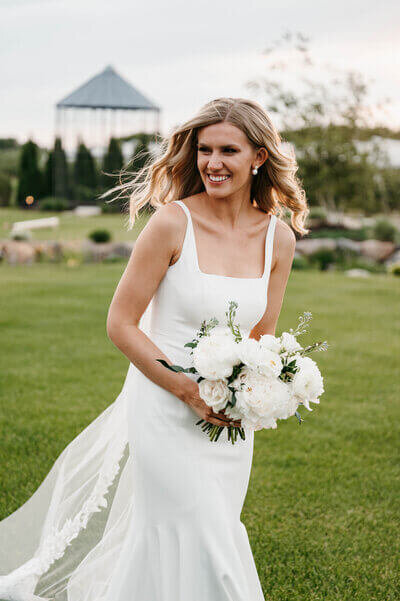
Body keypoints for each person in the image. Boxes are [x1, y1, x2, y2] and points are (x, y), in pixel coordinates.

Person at [0, 97, 308, 601]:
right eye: (204, 149)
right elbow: (121, 323)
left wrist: (254, 393)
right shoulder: (171, 223)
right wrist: (185, 390)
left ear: (258, 157)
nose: (212, 163)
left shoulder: (279, 239)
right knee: (198, 530)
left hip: (227, 419)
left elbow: (263, 336)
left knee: (209, 524)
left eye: (228, 150)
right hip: (163, 405)